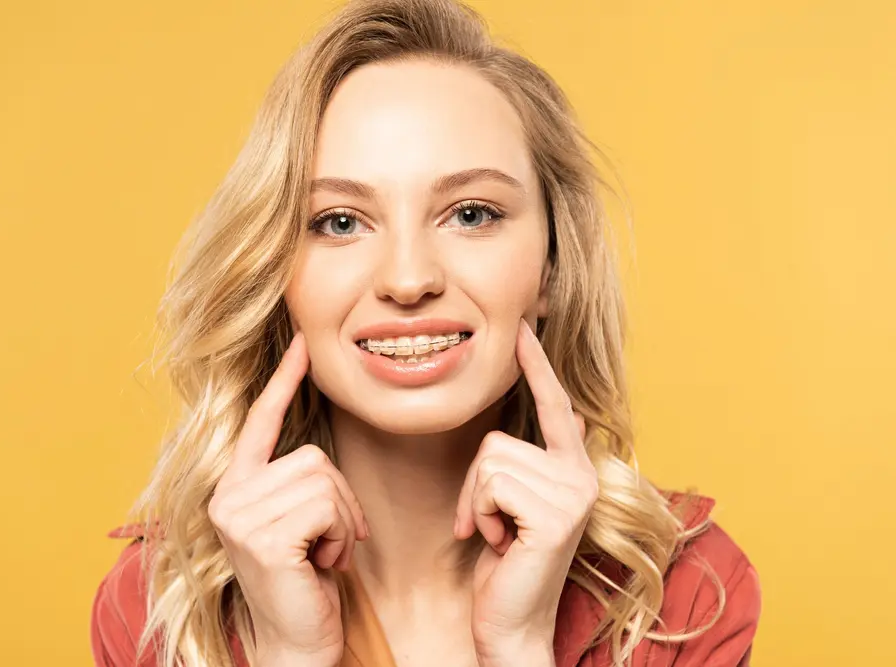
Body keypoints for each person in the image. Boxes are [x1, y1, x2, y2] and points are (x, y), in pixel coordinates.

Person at [91, 0, 761, 665]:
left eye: (471, 213)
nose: (408, 280)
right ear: (277, 274)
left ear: (553, 265)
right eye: (340, 221)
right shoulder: (157, 607)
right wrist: (290, 654)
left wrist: (520, 648)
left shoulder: (682, 594)